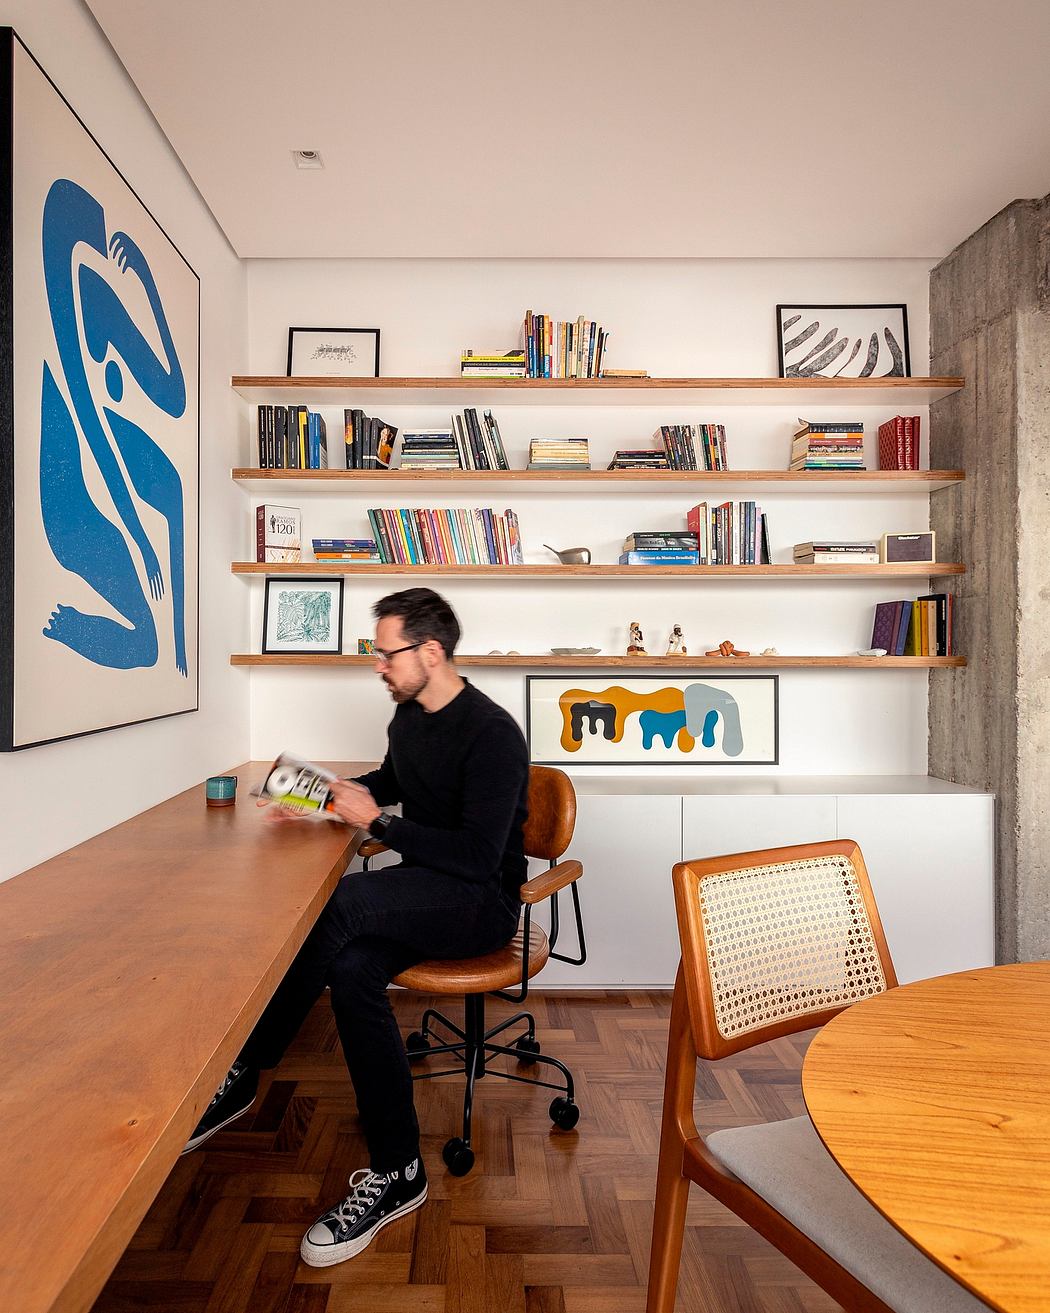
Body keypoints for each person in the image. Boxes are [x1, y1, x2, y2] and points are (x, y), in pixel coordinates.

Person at [183, 588, 529, 1267]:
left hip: (480, 902)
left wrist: (375, 822)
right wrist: (315, 795)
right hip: (431, 893)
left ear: (431, 651)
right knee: (350, 968)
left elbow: (476, 857)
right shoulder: (408, 717)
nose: (378, 665)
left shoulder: (493, 734)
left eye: (385, 652)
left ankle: (248, 1066)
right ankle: (400, 1170)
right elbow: (389, 783)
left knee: (342, 903)